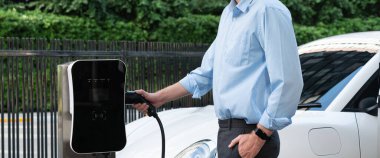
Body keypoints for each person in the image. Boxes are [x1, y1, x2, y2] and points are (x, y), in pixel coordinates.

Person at [133, 0, 303, 157]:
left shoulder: (269, 9)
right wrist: (158, 98)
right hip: (226, 133)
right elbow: (206, 73)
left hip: (252, 134)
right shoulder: (228, 14)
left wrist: (260, 135)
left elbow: (288, 82)